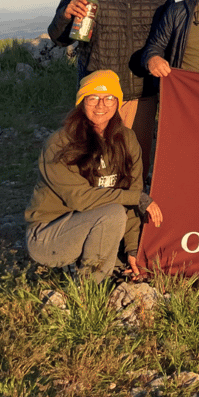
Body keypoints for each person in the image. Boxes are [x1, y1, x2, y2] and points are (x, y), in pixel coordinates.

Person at [47, 0, 174, 183]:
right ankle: (95, 217)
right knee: (97, 161)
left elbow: (169, 35)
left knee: (137, 159)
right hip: (100, 90)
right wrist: (66, 14)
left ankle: (132, 218)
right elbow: (58, 38)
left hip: (143, 90)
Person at [24, 70, 164, 282]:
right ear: (81, 102)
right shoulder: (59, 143)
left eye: (109, 98)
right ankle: (91, 290)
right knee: (114, 213)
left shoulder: (127, 139)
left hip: (95, 225)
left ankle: (98, 270)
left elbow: (134, 193)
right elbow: (80, 199)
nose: (102, 105)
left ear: (118, 102)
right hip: (48, 235)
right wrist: (136, 198)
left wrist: (133, 249)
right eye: (93, 98)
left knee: (116, 218)